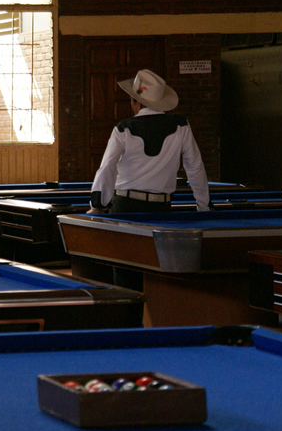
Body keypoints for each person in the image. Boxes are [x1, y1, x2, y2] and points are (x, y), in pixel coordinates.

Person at [88, 69, 211, 291]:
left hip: (125, 209)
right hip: (161, 210)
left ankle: (131, 312)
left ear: (136, 102)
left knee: (126, 277)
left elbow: (107, 167)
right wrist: (204, 206)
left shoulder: (123, 128)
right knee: (158, 275)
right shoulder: (181, 125)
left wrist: (98, 204)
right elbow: (195, 167)